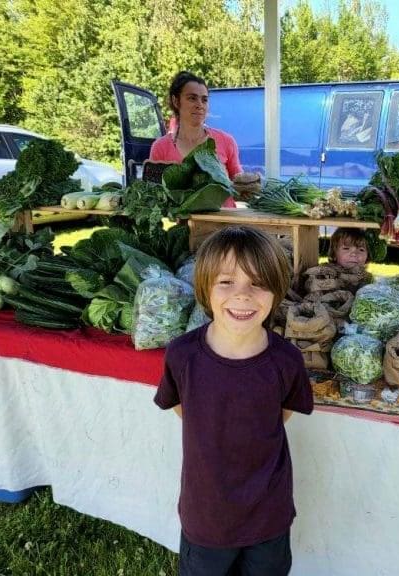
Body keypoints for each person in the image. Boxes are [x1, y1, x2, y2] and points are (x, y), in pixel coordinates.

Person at [154, 226, 313, 576]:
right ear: (205, 289)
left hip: (268, 515)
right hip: (206, 516)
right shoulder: (182, 355)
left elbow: (281, 413)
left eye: (257, 282)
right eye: (226, 282)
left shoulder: (286, 360)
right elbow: (183, 407)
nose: (243, 295)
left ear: (277, 290)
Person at [150, 71, 242, 207]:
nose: (200, 105)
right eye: (192, 98)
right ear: (176, 101)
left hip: (225, 225)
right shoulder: (161, 147)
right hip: (184, 226)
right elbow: (155, 195)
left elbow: (239, 185)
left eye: (204, 99)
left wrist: (249, 186)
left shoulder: (226, 141)